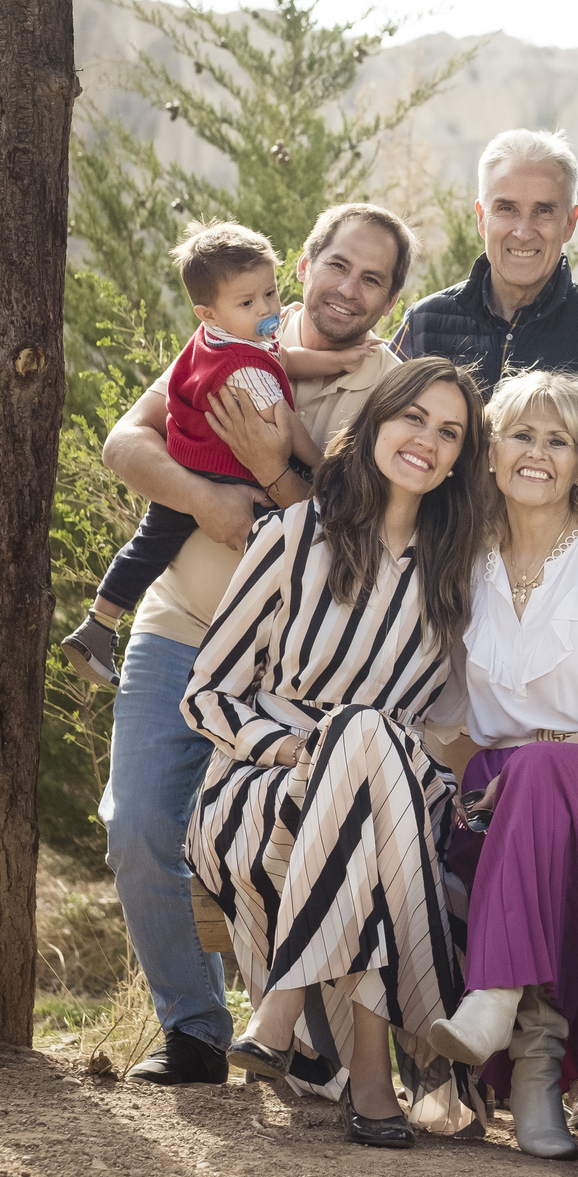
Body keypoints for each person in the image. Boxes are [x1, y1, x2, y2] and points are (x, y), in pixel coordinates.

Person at [97, 202, 417, 1088]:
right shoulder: (227, 331)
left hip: (291, 666)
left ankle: (301, 1036)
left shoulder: (384, 387)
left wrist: (276, 476)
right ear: (306, 265)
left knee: (278, 834)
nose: (348, 288)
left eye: (373, 279)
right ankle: (194, 1029)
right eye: (338, 265)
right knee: (138, 826)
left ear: (391, 299)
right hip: (179, 625)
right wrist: (205, 498)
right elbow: (125, 442)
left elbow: (362, 530)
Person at [182, 358, 489, 1144]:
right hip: (264, 791)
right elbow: (207, 692)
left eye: (449, 432)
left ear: (461, 459)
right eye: (413, 418)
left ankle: (283, 1006)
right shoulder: (292, 535)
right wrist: (293, 750)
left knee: (367, 740)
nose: (426, 440)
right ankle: (380, 1074)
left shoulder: (458, 573)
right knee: (359, 739)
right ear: (377, 421)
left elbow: (455, 719)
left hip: (393, 793)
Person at [426, 369, 578, 1161]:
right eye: (521, 435)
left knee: (531, 775)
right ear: (490, 453)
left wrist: (530, 766)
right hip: (499, 788)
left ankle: (499, 1005)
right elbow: (447, 712)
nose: (537, 453)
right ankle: (534, 1065)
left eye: (558, 441)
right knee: (505, 787)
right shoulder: (464, 559)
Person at [62, 219, 348, 689]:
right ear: (207, 312)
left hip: (188, 458)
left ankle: (99, 623)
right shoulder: (245, 368)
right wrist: (320, 464)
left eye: (270, 293)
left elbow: (281, 357)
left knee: (148, 545)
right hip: (224, 472)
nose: (266, 308)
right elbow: (284, 424)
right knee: (279, 529)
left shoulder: (216, 338)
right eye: (248, 303)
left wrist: (337, 361)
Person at [391, 128, 578, 396]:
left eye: (544, 211)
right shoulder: (423, 325)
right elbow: (376, 418)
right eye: (507, 209)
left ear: (570, 223)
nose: (523, 232)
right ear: (481, 219)